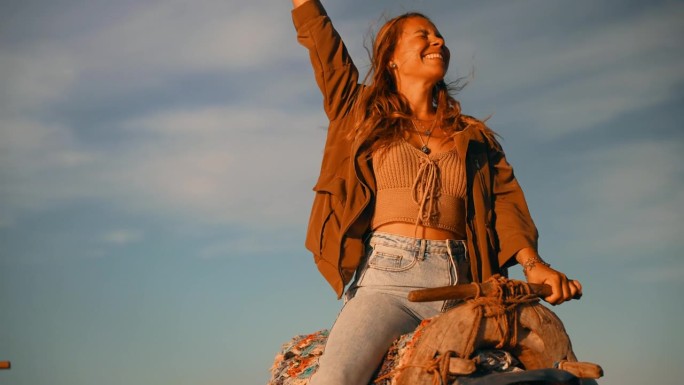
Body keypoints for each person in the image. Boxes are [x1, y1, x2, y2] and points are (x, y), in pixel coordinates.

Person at [290, 1, 583, 384]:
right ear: (391, 58)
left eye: (439, 35)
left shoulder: (473, 136)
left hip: (465, 283)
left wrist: (533, 264)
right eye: (423, 35)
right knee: (336, 380)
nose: (439, 40)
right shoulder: (358, 110)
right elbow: (325, 49)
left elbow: (506, 203)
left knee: (551, 378)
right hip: (387, 284)